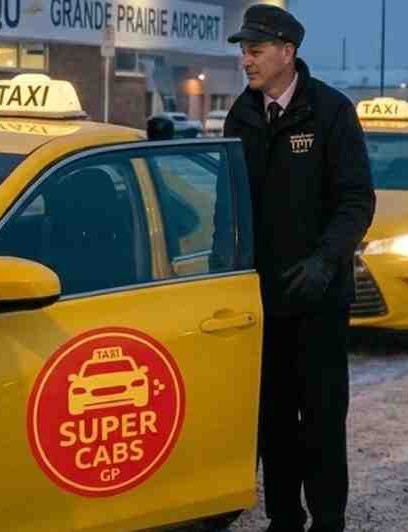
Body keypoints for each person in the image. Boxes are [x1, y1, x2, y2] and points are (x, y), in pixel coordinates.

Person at [224, 5, 375, 532]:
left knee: (322, 420)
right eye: (243, 50)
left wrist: (324, 260)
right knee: (273, 421)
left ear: (287, 52)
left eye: (256, 49)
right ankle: (284, 518)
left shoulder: (330, 111)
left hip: (319, 300)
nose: (246, 60)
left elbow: (357, 200)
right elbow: (231, 204)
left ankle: (328, 520)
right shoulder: (240, 115)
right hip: (263, 301)